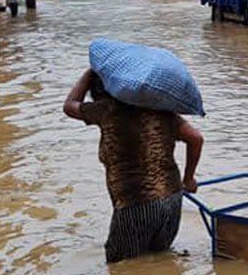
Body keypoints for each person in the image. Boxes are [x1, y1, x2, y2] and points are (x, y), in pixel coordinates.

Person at [63, 69, 204, 263]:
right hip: (171, 201)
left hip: (135, 205)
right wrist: (188, 179)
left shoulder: (107, 110)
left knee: (121, 269)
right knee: (160, 262)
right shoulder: (161, 110)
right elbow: (196, 138)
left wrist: (89, 73)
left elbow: (69, 106)